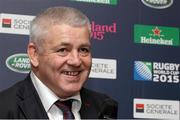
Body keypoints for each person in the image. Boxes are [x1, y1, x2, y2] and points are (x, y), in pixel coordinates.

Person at [0, 6, 118, 119]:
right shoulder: (5, 108)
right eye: (63, 50)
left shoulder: (103, 107)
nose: (76, 61)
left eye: (83, 50)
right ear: (34, 54)